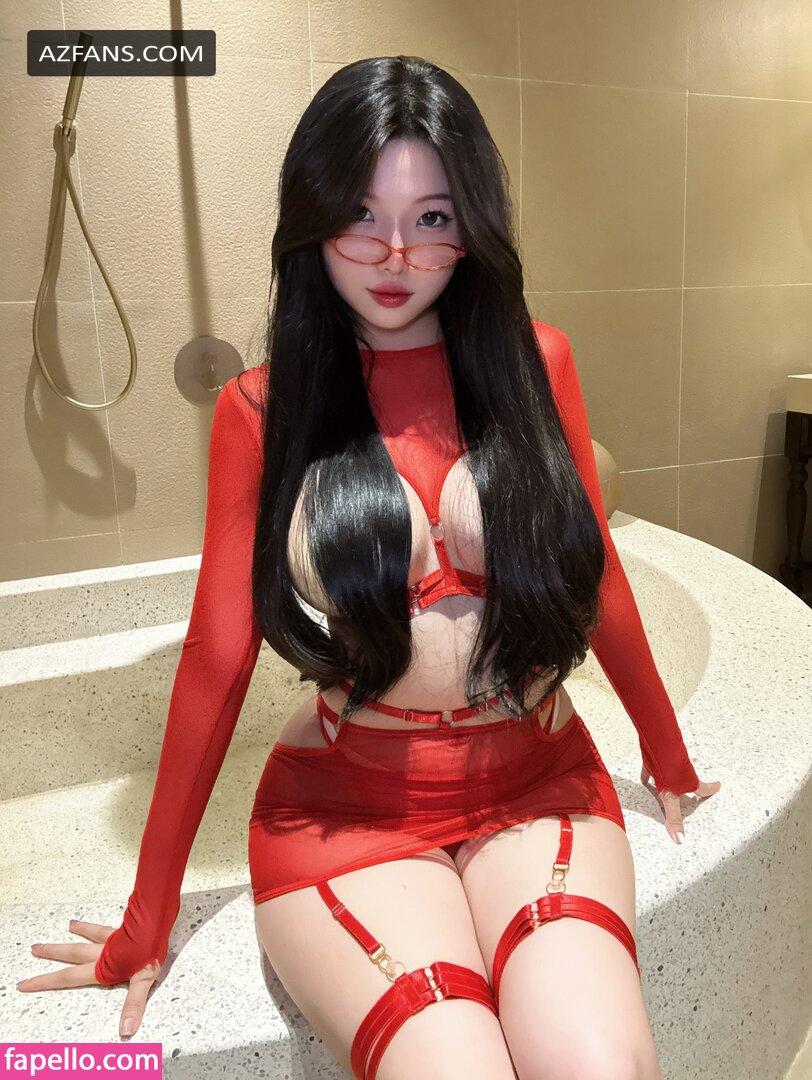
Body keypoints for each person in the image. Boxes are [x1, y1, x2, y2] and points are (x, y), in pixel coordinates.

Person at [19, 55, 720, 1078]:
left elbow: (595, 569)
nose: (394, 255)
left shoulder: (538, 363)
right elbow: (217, 658)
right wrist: (147, 912)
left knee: (602, 1064)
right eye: (359, 214)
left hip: (539, 778)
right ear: (310, 216)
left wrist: (666, 753)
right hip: (346, 807)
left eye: (432, 218)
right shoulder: (262, 409)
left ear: (472, 224)